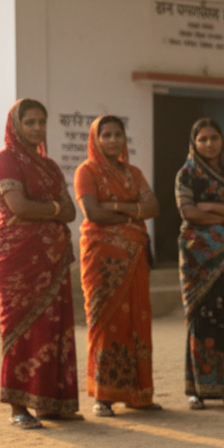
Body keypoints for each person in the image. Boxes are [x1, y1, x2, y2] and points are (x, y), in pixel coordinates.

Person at [0, 99, 80, 428]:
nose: (37, 128)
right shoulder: (5, 161)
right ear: (16, 125)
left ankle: (51, 403)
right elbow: (19, 207)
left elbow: (71, 212)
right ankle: (18, 408)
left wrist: (51, 210)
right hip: (19, 261)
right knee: (22, 328)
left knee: (53, 328)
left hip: (53, 263)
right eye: (30, 122)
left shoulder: (50, 166)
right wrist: (54, 209)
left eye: (41, 122)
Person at [74, 115, 161, 417]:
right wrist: (133, 214)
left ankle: (138, 394)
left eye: (117, 135)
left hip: (135, 260)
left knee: (137, 322)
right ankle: (104, 396)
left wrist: (118, 208)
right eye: (106, 135)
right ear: (95, 140)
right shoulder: (86, 172)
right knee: (105, 324)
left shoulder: (133, 173)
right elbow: (93, 212)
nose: (112, 140)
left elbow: (153, 207)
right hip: (102, 261)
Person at [175, 118, 224, 409]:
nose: (209, 144)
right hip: (199, 263)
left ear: (222, 141)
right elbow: (188, 212)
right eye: (202, 139)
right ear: (194, 144)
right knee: (202, 320)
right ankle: (198, 389)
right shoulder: (186, 175)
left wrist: (209, 207)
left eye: (214, 138)